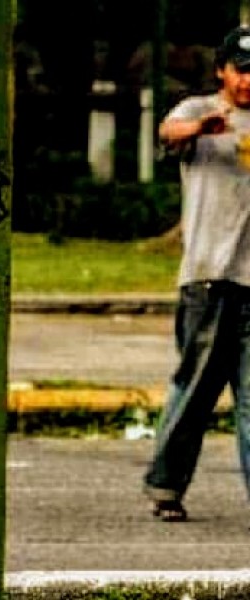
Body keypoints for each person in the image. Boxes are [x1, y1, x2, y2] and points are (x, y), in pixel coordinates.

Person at [143, 25, 250, 522]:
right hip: (209, 279)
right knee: (196, 389)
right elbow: (167, 132)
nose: (249, 81)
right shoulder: (199, 110)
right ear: (222, 70)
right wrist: (202, 128)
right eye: (242, 70)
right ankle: (166, 484)